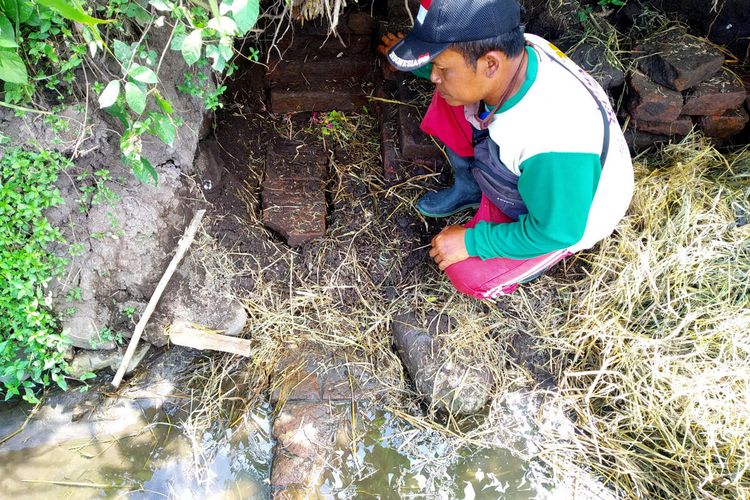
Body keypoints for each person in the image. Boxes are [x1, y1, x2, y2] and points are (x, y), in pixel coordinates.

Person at [383, 0, 634, 299]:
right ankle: (473, 190)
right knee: (448, 97)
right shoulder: (517, 51)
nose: (435, 76)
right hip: (540, 174)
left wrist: (473, 242)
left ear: (490, 64)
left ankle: (514, 243)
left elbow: (557, 231)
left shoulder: (553, 140)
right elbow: (460, 70)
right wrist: (420, 61)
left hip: (564, 213)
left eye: (442, 67)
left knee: (468, 274)